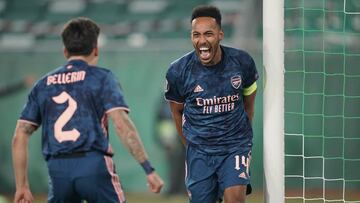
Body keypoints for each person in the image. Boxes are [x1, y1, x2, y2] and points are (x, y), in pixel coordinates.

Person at [12, 17, 164, 203]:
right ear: (95, 48)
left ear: (65, 50)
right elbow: (121, 124)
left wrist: (22, 186)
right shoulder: (102, 78)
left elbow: (20, 135)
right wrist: (148, 169)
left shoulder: (43, 85)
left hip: (57, 170)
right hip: (93, 164)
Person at [164, 5, 258, 203]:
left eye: (208, 34)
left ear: (220, 35)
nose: (202, 41)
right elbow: (176, 113)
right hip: (200, 150)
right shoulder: (178, 71)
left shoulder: (242, 62)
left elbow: (249, 102)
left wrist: (243, 137)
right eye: (196, 35)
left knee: (235, 199)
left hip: (234, 146)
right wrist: (190, 145)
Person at [154, 98, 186, 196]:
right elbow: (159, 119)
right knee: (172, 164)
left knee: (184, 164)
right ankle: (174, 188)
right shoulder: (163, 104)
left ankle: (183, 188)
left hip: (181, 137)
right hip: (170, 138)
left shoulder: (181, 100)